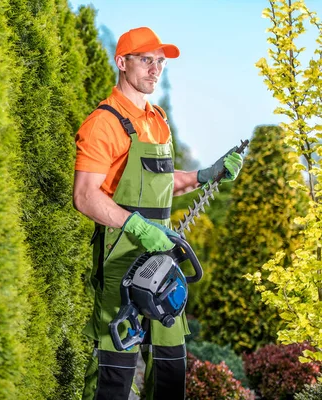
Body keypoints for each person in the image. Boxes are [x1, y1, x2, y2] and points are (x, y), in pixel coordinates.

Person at [73, 27, 243, 400]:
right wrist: (137, 226)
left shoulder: (157, 118)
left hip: (164, 260)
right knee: (114, 370)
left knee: (170, 366)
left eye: (160, 62)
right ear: (122, 62)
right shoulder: (104, 122)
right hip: (121, 258)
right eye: (146, 60)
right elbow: (85, 197)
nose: (155, 69)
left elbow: (164, 182)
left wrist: (206, 175)